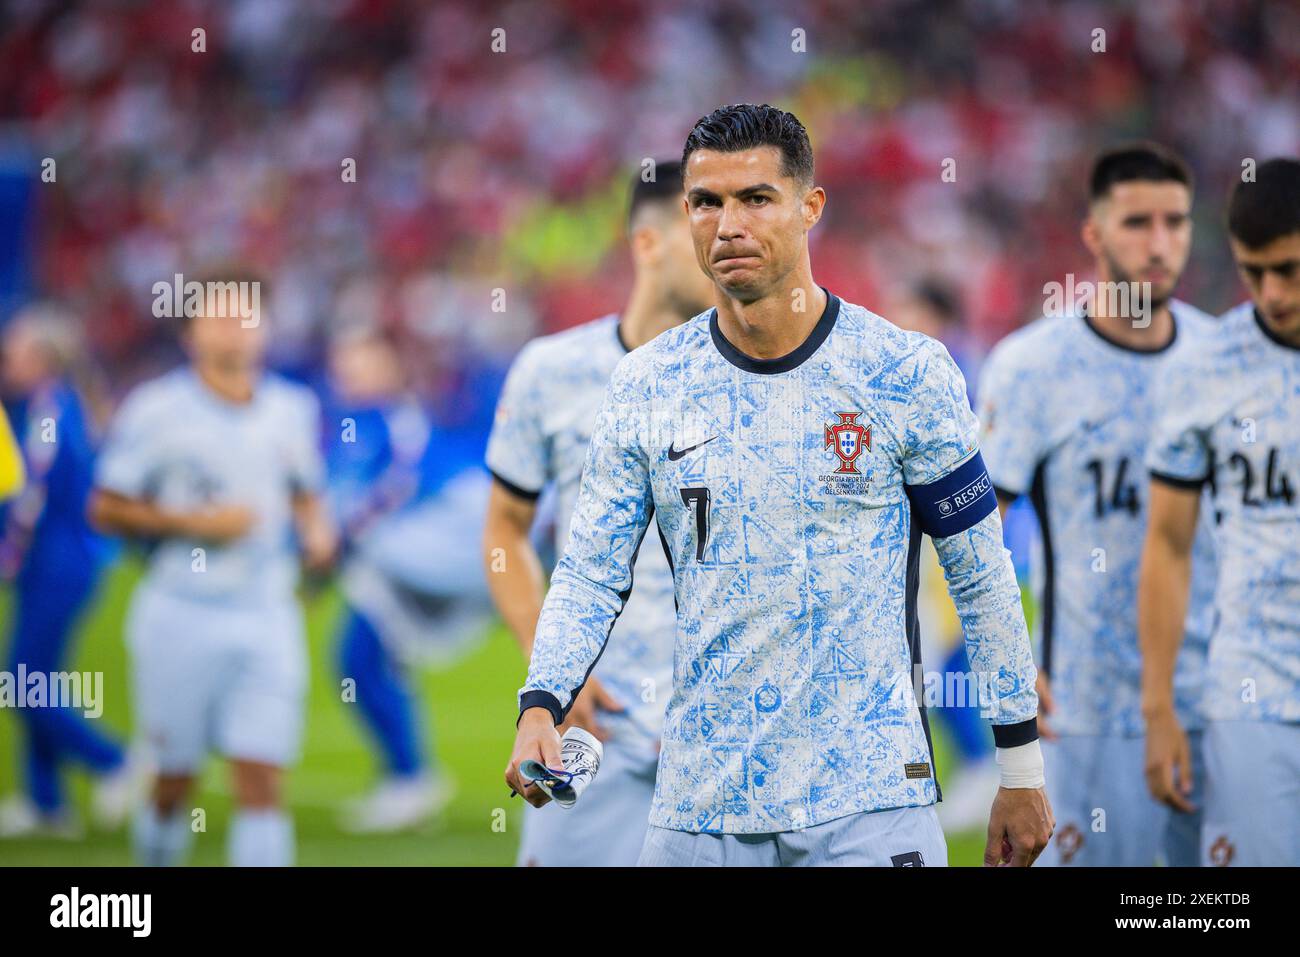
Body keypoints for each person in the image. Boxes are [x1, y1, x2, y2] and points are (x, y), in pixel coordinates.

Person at [506, 104, 1051, 867]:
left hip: (869, 800)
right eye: (707, 202)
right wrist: (542, 702)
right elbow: (590, 568)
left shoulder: (905, 373)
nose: (728, 224)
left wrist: (1020, 766)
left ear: (809, 208)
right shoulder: (645, 385)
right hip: (700, 801)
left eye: (756, 198)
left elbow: (979, 572)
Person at [978, 144, 1218, 865]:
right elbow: (974, 533)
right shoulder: (1032, 366)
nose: (1159, 242)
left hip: (1216, 696)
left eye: (1175, 222)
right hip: (1084, 708)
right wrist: (1010, 665)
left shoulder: (1222, 360)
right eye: (1137, 221)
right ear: (1094, 234)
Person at [484, 160, 714, 865]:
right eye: (700, 222)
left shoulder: (756, 380)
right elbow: (504, 530)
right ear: (648, 244)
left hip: (724, 729)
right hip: (597, 722)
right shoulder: (550, 372)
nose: (723, 241)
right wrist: (549, 674)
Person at [89, 271, 336, 866]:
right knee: (174, 781)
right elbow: (105, 506)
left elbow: (304, 490)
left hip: (266, 613)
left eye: (248, 317)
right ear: (191, 331)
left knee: (262, 777)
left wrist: (317, 532)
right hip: (181, 613)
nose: (236, 329)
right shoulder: (157, 409)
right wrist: (197, 523)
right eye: (221, 317)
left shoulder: (292, 407)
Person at [1140, 158, 1300, 866]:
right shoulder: (1206, 367)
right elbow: (1168, 545)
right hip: (1252, 687)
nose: (1272, 292)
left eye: (1290, 270)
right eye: (1252, 271)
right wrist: (1158, 708)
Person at [0, 304, 134, 838]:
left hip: (58, 560)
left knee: (21, 681)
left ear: (43, 357)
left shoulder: (51, 408)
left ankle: (114, 761)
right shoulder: (50, 405)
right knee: (35, 677)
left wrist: (8, 553)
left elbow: (33, 492)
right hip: (58, 559)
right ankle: (46, 803)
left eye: (13, 351)